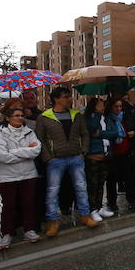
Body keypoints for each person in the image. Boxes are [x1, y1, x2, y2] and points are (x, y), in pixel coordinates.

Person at [35, 87, 99, 237]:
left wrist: (83, 152)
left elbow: (85, 135)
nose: (69, 99)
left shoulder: (77, 115)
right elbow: (40, 139)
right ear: (56, 99)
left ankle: (85, 215)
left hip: (75, 157)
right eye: (66, 97)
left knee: (81, 187)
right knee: (52, 191)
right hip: (55, 159)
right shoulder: (45, 117)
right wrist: (48, 158)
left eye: (69, 96)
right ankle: (52, 220)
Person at [0, 103, 42, 248]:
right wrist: (26, 151)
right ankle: (7, 233)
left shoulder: (30, 132)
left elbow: (36, 151)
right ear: (8, 118)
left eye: (21, 116)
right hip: (7, 177)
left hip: (28, 174)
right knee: (9, 206)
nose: (20, 118)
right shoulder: (0, 135)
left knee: (28, 204)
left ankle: (29, 230)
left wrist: (14, 151)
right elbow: (3, 157)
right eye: (16, 116)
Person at [83, 98, 118, 222]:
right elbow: (92, 129)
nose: (103, 106)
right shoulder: (89, 118)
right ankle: (92, 209)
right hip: (93, 156)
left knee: (101, 183)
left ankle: (100, 206)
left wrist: (101, 134)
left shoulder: (106, 118)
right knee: (92, 184)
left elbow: (114, 133)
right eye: (100, 104)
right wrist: (97, 116)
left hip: (106, 155)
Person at [107, 97, 135, 211]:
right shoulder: (107, 119)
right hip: (113, 154)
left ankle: (132, 200)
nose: (118, 109)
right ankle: (112, 202)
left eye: (120, 106)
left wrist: (133, 132)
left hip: (126, 152)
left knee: (129, 178)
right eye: (116, 106)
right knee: (112, 180)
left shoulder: (125, 117)